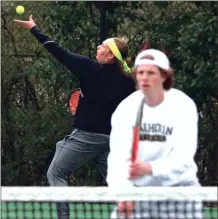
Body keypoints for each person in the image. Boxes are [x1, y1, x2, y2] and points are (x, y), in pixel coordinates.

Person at [14, 15, 136, 219]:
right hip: (111, 141)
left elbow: (59, 52)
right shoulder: (128, 82)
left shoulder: (92, 69)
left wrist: (34, 29)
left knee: (56, 174)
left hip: (87, 137)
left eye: (103, 46)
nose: (98, 47)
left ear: (110, 57)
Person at [107, 49, 202, 218]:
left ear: (164, 76)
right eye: (140, 72)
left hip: (180, 194)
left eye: (151, 73)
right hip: (138, 195)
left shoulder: (183, 106)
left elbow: (183, 156)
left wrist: (151, 168)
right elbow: (117, 157)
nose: (144, 77)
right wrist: (122, 193)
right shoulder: (126, 109)